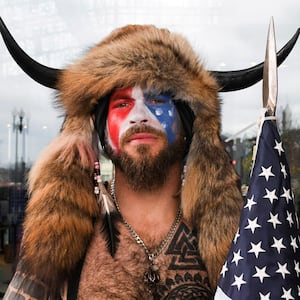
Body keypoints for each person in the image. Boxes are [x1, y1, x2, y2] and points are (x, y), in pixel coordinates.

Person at [0, 20, 297, 299]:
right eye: (122, 104)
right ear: (100, 130)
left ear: (187, 125)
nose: (140, 116)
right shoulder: (63, 240)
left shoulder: (242, 239)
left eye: (157, 100)